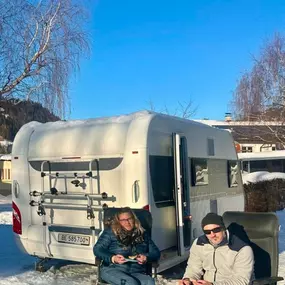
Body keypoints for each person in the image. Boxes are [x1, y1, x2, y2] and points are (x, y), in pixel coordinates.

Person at [179, 212, 254, 285]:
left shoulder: (242, 249)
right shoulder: (199, 243)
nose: (212, 235)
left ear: (223, 228)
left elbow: (241, 281)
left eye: (216, 230)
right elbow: (193, 269)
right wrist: (188, 279)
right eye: (207, 232)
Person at [93, 207, 160, 285]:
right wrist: (113, 258)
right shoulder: (111, 233)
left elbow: (156, 253)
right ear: (118, 222)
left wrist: (146, 257)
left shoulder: (143, 234)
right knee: (130, 283)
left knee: (149, 282)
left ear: (134, 219)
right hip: (113, 269)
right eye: (123, 220)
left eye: (129, 219)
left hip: (136, 272)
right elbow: (97, 249)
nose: (127, 222)